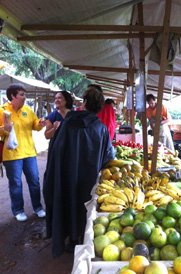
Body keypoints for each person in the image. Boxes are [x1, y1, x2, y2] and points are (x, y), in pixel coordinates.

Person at [43, 85, 115, 257]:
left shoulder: (68, 122)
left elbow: (56, 149)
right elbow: (108, 156)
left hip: (66, 176)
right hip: (88, 180)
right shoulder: (101, 128)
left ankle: (69, 239)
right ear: (100, 107)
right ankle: (79, 238)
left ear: (84, 103)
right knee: (84, 208)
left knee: (67, 203)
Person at [0, 84, 46, 222]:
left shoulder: (27, 110)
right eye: (21, 95)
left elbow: (35, 125)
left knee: (34, 181)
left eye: (24, 95)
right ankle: (18, 210)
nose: (24, 98)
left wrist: (41, 123)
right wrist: (4, 128)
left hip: (29, 153)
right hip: (12, 155)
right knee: (16, 183)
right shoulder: (2, 111)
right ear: (13, 96)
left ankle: (37, 207)